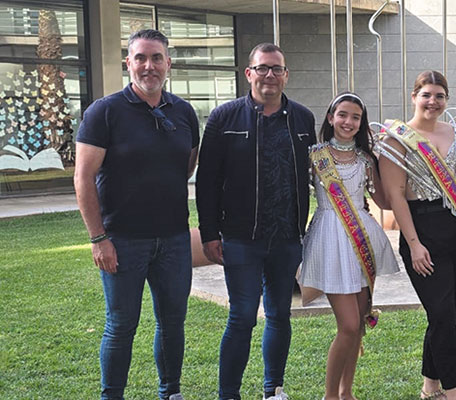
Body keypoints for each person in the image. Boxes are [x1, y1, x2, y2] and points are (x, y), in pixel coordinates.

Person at [74, 29, 199, 400]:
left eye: (156, 58)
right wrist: (99, 238)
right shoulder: (105, 112)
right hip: (122, 240)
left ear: (168, 64)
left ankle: (170, 392)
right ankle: (112, 395)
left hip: (174, 239)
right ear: (128, 63)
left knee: (173, 322)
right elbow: (83, 177)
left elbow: (187, 166)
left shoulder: (184, 112)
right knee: (121, 324)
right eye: (141, 58)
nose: (149, 66)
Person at [195, 43, 316, 400]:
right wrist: (209, 232)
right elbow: (207, 181)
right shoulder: (224, 118)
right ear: (249, 73)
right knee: (243, 316)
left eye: (276, 69)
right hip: (240, 238)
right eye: (262, 68)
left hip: (286, 238)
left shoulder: (303, 119)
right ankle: (228, 394)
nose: (269, 75)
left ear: (285, 75)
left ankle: (273, 390)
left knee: (280, 315)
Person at [378, 70, 456, 400]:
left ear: (446, 99)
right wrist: (414, 244)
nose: (433, 102)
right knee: (440, 312)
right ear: (414, 97)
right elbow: (395, 196)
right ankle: (454, 393)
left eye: (439, 96)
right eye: (426, 95)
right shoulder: (396, 138)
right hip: (422, 230)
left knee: (449, 314)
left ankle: (430, 387)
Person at [297, 92, 399, 400]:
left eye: (355, 117)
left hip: (361, 239)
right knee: (350, 325)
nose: (348, 122)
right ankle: (330, 395)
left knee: (359, 325)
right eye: (342, 115)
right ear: (330, 118)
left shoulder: (367, 159)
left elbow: (382, 200)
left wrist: (387, 161)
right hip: (329, 238)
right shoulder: (315, 155)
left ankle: (347, 393)